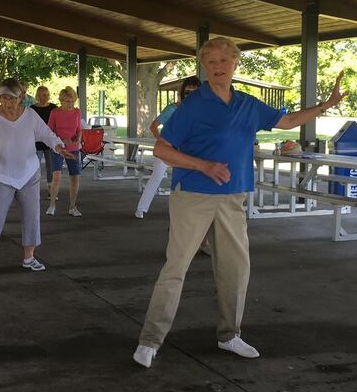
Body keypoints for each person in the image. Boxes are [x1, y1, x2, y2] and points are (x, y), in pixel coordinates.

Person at [133, 37, 345, 368]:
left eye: (223, 60)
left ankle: (229, 335)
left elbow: (286, 122)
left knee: (235, 270)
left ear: (235, 63)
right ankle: (150, 340)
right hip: (193, 196)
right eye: (211, 61)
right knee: (176, 268)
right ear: (204, 67)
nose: (218, 67)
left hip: (233, 198)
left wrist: (325, 105)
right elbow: (161, 149)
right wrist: (203, 165)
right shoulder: (193, 106)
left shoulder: (248, 104)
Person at [0, 78, 75, 274]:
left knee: (32, 215)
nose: (7, 103)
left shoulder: (30, 115)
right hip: (0, 174)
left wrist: (59, 147)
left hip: (28, 172)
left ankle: (29, 257)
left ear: (21, 97)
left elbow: (47, 134)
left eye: (12, 98)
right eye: (3, 98)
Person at [135, 76, 201, 219]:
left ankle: (184, 212)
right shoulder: (172, 109)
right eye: (187, 92)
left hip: (185, 151)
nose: (190, 96)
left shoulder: (199, 111)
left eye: (195, 92)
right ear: (182, 92)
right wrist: (162, 141)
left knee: (185, 181)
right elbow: (153, 126)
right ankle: (141, 208)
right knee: (157, 177)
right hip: (167, 150)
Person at [46, 86, 83, 217]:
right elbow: (48, 132)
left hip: (74, 149)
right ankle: (52, 205)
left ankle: (72, 207)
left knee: (75, 178)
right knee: (56, 177)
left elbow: (79, 129)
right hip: (58, 148)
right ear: (61, 100)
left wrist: (78, 139)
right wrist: (61, 140)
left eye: (72, 101)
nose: (70, 104)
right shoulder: (55, 112)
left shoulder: (77, 112)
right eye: (67, 101)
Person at [30, 86, 57, 189]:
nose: (46, 97)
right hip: (36, 141)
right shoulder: (32, 109)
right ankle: (34, 187)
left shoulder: (53, 108)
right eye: (43, 95)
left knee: (51, 166)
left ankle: (51, 188)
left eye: (47, 94)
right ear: (38, 96)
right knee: (35, 166)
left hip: (49, 141)